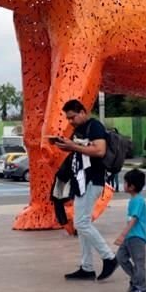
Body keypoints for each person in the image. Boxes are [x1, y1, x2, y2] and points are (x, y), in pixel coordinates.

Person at [53, 99, 118, 281]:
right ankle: (86, 267)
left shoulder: (94, 126)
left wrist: (72, 146)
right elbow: (81, 152)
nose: (70, 121)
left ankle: (109, 257)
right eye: (68, 118)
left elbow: (100, 151)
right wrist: (67, 144)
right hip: (82, 182)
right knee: (82, 225)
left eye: (72, 117)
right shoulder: (80, 130)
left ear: (82, 112)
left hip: (92, 181)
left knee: (81, 223)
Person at [114, 168, 146, 292]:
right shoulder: (133, 200)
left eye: (125, 182)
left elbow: (134, 220)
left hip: (137, 237)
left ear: (132, 186)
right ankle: (136, 279)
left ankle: (141, 287)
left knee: (139, 263)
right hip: (130, 236)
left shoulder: (139, 201)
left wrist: (122, 235)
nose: (123, 185)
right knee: (120, 258)